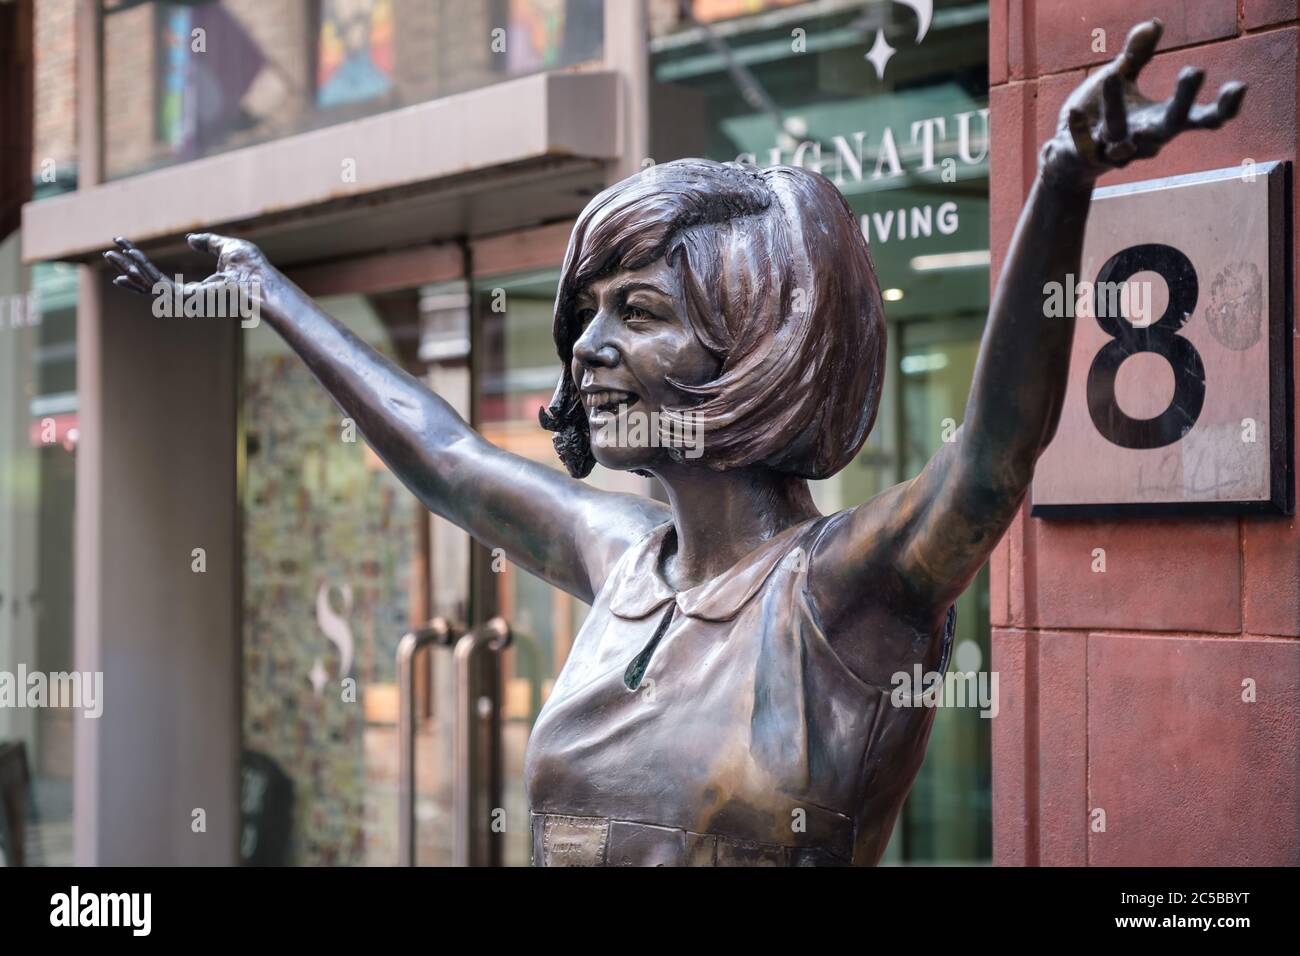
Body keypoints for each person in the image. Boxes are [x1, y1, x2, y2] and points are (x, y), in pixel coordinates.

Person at [106, 20, 1245, 866]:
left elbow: (992, 455)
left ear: (757, 344)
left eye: (638, 313)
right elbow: (442, 454)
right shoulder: (621, 556)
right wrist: (265, 290)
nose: (588, 345)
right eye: (588, 312)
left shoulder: (843, 593)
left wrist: (1060, 186)